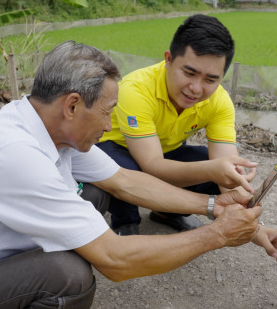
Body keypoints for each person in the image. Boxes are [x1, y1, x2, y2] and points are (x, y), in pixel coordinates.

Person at [0, 41, 277, 309]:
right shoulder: (14, 155)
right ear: (73, 105)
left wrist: (213, 206)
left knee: (94, 198)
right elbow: (115, 260)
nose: (110, 120)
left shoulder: (45, 126)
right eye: (108, 111)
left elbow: (126, 182)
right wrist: (217, 235)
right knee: (69, 278)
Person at [97, 14, 256, 236]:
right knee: (122, 168)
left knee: (212, 163)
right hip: (119, 147)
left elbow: (226, 162)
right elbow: (151, 164)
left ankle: (165, 212)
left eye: (210, 80)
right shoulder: (136, 89)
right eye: (189, 73)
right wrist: (213, 170)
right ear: (169, 59)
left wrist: (244, 200)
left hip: (163, 152)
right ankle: (125, 223)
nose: (196, 88)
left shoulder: (219, 102)